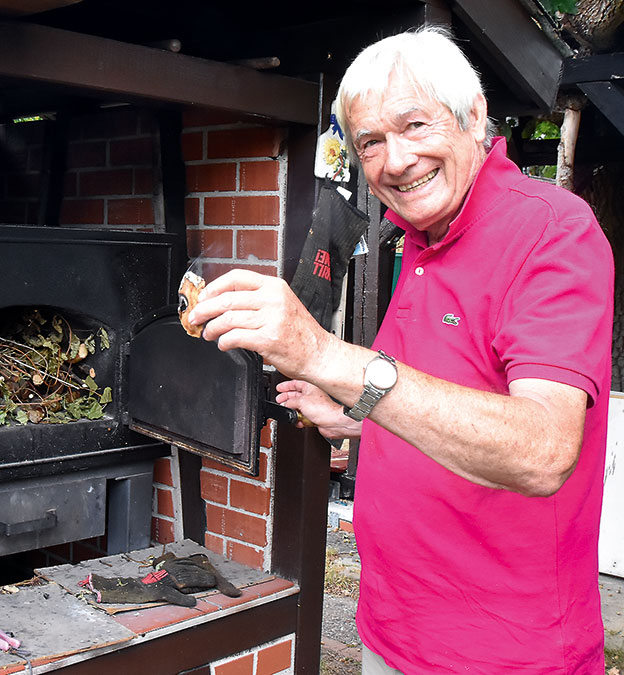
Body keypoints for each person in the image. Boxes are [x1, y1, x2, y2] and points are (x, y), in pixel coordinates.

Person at [187, 26, 614, 674]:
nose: (394, 160)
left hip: (502, 655)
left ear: (474, 117)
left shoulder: (551, 231)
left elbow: (542, 449)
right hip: (392, 629)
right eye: (371, 143)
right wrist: (353, 417)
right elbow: (448, 395)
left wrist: (326, 354)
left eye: (414, 125)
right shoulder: (419, 236)